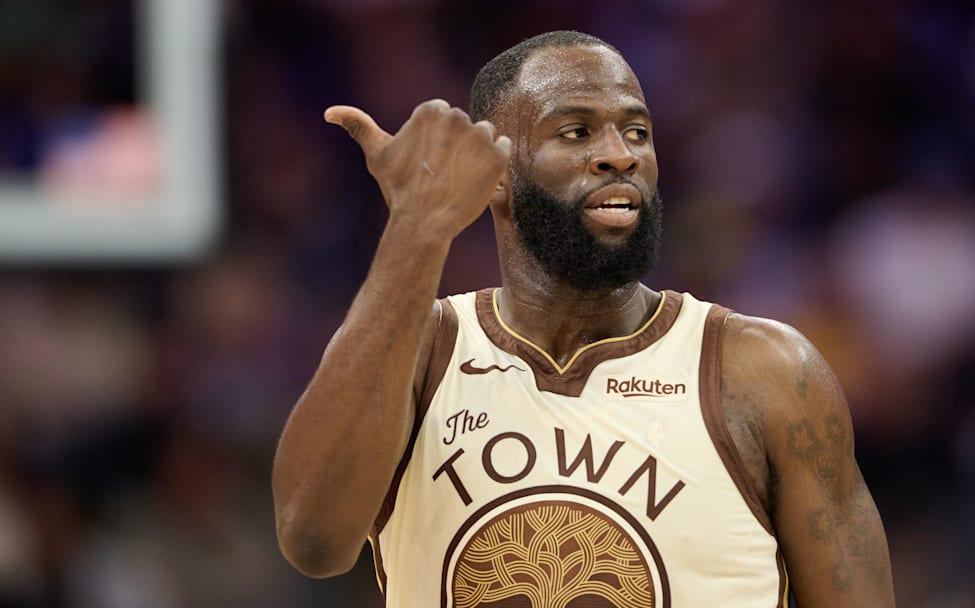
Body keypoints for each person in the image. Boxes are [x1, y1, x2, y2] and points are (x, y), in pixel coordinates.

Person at [272, 30, 895, 607]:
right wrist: (416, 229)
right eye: (575, 132)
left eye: (637, 132)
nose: (618, 155)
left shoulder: (767, 373)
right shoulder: (421, 352)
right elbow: (314, 542)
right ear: (493, 178)